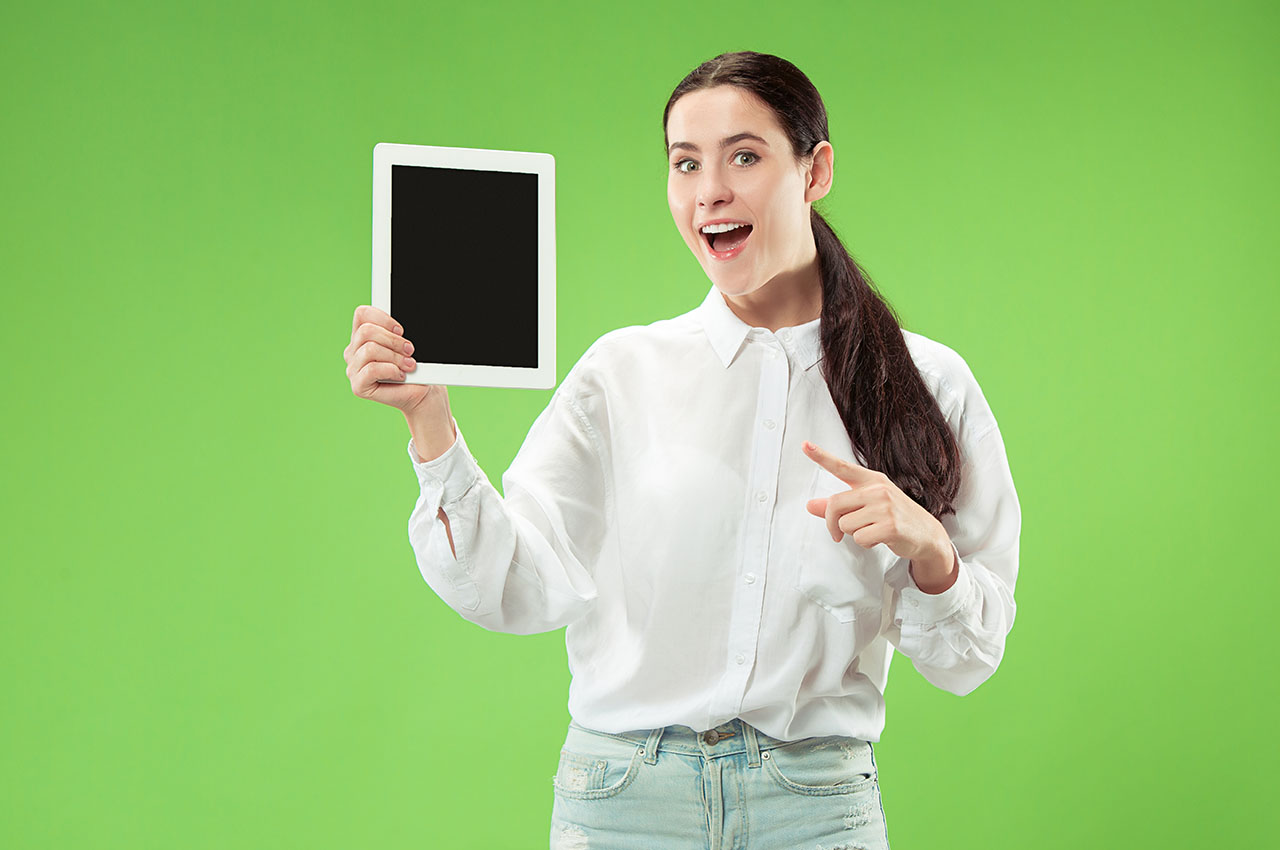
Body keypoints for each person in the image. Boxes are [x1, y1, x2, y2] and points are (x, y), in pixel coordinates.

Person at [344, 50, 1020, 850]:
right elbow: (510, 586)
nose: (711, 191)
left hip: (815, 806)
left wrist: (929, 548)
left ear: (816, 170)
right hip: (626, 801)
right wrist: (430, 425)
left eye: (744, 155)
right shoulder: (622, 373)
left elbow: (967, 659)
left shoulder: (926, 382)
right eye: (685, 163)